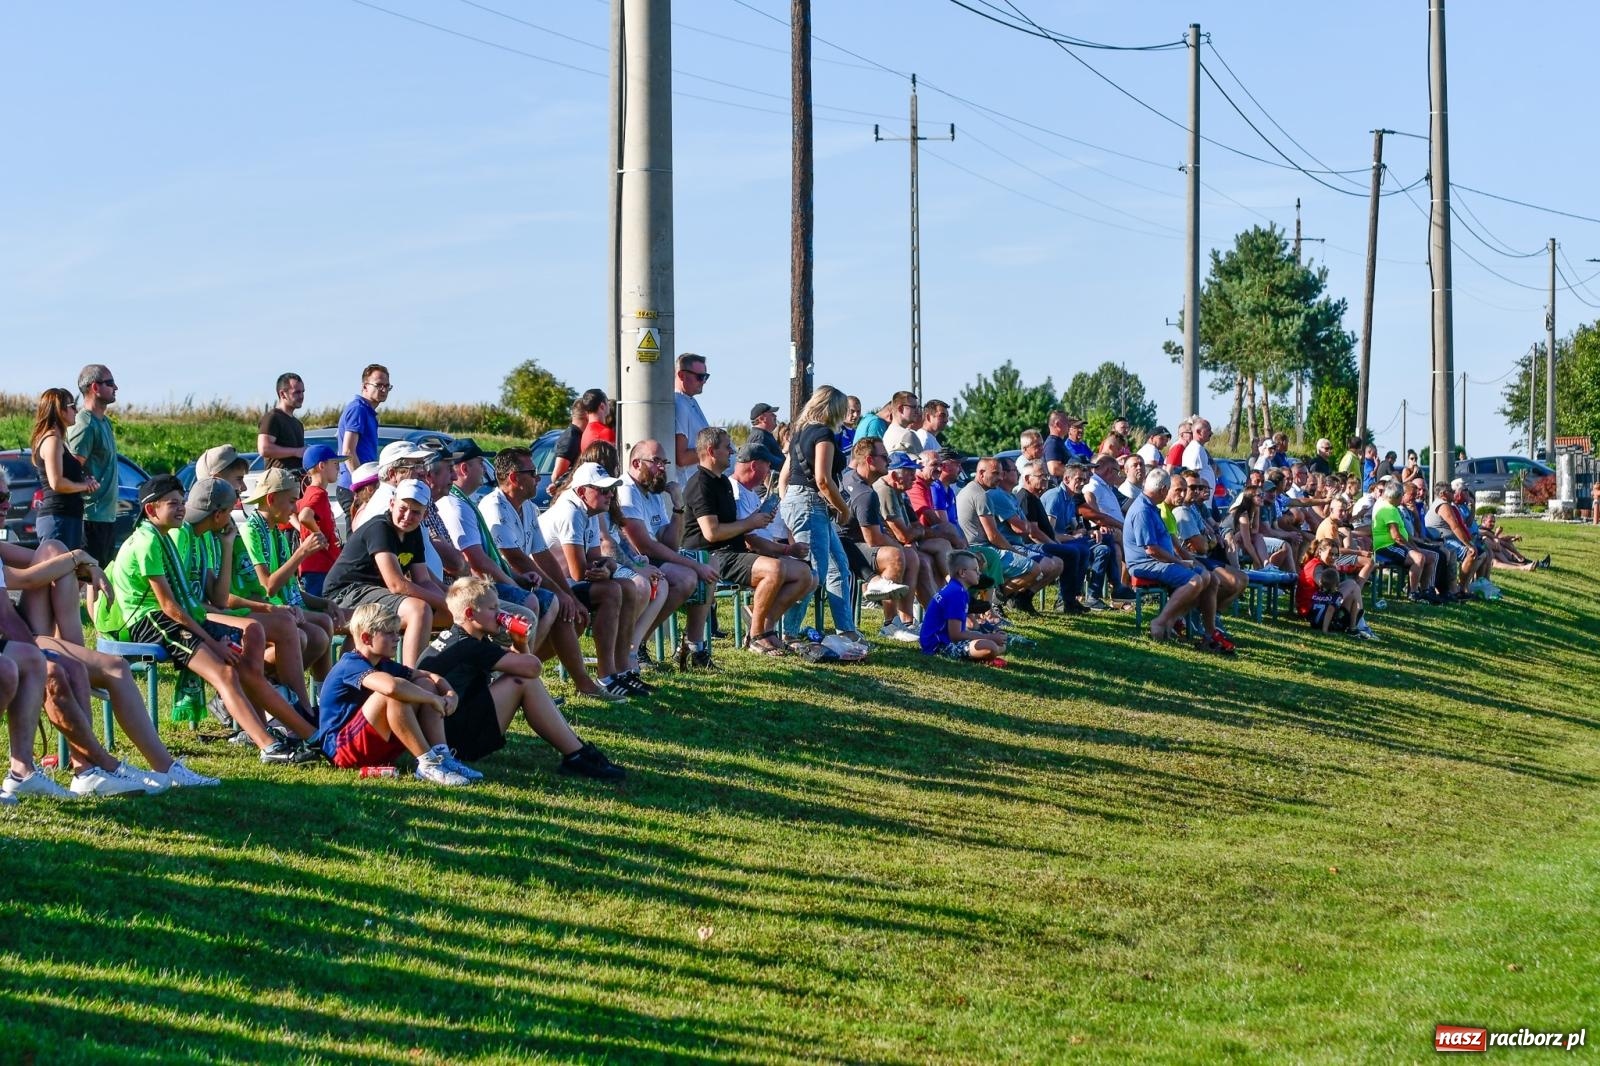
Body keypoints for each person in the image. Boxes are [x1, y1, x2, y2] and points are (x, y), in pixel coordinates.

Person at [107, 475, 319, 762]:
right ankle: (276, 739)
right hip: (151, 621)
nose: (181, 509)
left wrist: (228, 543)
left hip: (174, 616)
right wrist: (214, 642)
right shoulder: (154, 541)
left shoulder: (171, 536)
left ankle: (298, 731)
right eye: (173, 504)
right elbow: (171, 607)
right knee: (226, 670)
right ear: (151, 510)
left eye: (182, 503)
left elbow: (208, 599)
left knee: (239, 664)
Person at [418, 578, 625, 779]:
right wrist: (519, 640)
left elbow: (522, 664)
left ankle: (577, 752)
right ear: (470, 614)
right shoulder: (469, 646)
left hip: (443, 730)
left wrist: (519, 643)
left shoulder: (456, 637)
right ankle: (578, 755)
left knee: (521, 678)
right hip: (453, 741)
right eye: (493, 609)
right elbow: (532, 669)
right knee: (523, 681)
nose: (501, 614)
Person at [476, 447, 619, 702]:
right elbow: (516, 559)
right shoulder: (493, 506)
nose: (538, 478)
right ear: (513, 477)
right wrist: (562, 595)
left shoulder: (528, 507)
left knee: (570, 612)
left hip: (522, 582)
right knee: (553, 604)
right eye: (532, 473)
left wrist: (568, 596)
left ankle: (526, 676)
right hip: (492, 586)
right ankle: (519, 677)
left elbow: (543, 556)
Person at [685, 427, 812, 656]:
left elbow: (740, 530)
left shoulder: (721, 482)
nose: (732, 451)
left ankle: (765, 627)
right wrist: (751, 523)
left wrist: (783, 545)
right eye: (727, 447)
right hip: (711, 557)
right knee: (774, 569)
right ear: (712, 451)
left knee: (805, 574)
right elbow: (711, 534)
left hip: (733, 552)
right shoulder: (700, 484)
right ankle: (756, 636)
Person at [312, 602, 470, 785]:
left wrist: (450, 694)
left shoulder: (383, 662)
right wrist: (433, 699)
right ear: (366, 637)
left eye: (397, 632)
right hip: (343, 751)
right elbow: (391, 688)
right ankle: (428, 764)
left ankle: (442, 756)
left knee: (424, 684)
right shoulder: (351, 664)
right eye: (390, 633)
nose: (397, 638)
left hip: (371, 746)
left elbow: (430, 676)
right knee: (392, 695)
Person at [539, 462, 644, 696]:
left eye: (611, 490)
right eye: (603, 490)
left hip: (564, 583)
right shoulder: (570, 511)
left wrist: (609, 566)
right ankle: (606, 676)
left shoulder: (589, 510)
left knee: (627, 587)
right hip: (550, 585)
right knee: (612, 591)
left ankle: (621, 670)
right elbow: (579, 571)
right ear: (581, 491)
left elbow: (596, 559)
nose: (609, 495)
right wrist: (606, 568)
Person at [325, 479, 449, 666]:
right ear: (392, 504)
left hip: (374, 594)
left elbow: (423, 580)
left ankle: (438, 669)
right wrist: (448, 604)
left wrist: (451, 606)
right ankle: (413, 680)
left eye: (416, 512)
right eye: (403, 508)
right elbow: (396, 584)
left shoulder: (413, 533)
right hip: (345, 593)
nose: (407, 516)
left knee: (448, 615)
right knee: (419, 610)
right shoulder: (380, 528)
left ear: (425, 515)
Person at [618, 438, 719, 659]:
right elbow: (644, 546)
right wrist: (693, 566)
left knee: (710, 562)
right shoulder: (626, 491)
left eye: (664, 462)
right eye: (656, 461)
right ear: (636, 464)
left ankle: (694, 646)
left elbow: (670, 543)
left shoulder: (651, 491)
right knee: (687, 577)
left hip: (651, 556)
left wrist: (678, 506)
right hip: (632, 559)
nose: (662, 467)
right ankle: (637, 644)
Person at [777, 386, 857, 641]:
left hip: (802, 501)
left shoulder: (800, 433)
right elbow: (823, 479)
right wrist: (843, 509)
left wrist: (787, 500)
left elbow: (785, 475)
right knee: (814, 572)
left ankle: (847, 630)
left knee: (838, 566)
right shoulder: (823, 433)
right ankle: (786, 631)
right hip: (811, 503)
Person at [1124, 468, 1231, 653]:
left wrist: (1183, 562)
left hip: (1158, 561)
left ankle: (1208, 632)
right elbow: (1151, 549)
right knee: (1195, 580)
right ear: (1164, 489)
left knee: (1209, 578)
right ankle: (1161, 622)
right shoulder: (1143, 510)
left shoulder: (1151, 507)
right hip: (1144, 564)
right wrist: (1179, 562)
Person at [839, 439, 920, 641]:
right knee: (896, 555)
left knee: (909, 555)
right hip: (845, 548)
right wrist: (900, 547)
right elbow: (873, 539)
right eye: (884, 457)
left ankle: (906, 621)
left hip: (845, 543)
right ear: (869, 460)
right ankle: (891, 623)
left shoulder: (851, 478)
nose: (888, 461)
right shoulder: (865, 494)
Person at [67, 363, 120, 566]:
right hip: (91, 515)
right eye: (111, 383)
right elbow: (72, 468)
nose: (116, 388)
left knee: (98, 574)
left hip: (107, 515)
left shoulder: (104, 422)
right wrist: (85, 481)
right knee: (85, 574)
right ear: (95, 387)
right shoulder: (85, 424)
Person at [30, 387, 96, 551]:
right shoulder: (52, 440)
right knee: (59, 574)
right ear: (60, 410)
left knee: (67, 573)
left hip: (66, 517)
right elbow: (57, 482)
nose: (76, 410)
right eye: (73, 406)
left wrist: (84, 481)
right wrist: (84, 486)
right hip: (58, 518)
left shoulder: (58, 440)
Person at [919, 550, 1006, 665]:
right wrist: (990, 637)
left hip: (942, 641)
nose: (979, 574)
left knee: (998, 644)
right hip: (938, 646)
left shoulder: (957, 589)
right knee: (991, 647)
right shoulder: (956, 594)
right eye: (975, 570)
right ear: (962, 573)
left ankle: (986, 653)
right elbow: (955, 635)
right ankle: (985, 656)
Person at [1372, 481, 1439, 603]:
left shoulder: (1394, 509)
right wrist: (1413, 550)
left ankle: (1425, 591)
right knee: (1419, 558)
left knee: (1431, 557)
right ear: (1397, 496)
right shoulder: (1388, 510)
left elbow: (1405, 535)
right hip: (1386, 547)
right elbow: (1396, 537)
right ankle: (1412, 593)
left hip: (1396, 545)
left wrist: (1415, 547)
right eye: (1402, 495)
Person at [294, 443, 345, 596]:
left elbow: (293, 513)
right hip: (319, 568)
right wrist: (320, 536)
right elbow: (304, 516)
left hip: (318, 568)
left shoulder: (311, 492)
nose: (339, 468)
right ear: (322, 465)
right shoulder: (318, 494)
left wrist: (305, 531)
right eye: (335, 464)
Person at [337, 363, 390, 491]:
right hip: (353, 488)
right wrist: (361, 485)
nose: (384, 390)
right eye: (379, 385)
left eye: (387, 386)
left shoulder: (366, 411)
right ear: (365, 386)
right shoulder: (358, 409)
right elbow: (348, 451)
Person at [672, 352, 712, 487]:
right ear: (681, 375)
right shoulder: (679, 403)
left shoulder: (689, 400)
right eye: (700, 377)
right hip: (689, 488)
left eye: (706, 377)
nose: (704, 381)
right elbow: (681, 457)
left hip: (699, 485)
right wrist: (713, 450)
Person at [257, 372, 307, 469]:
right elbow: (264, 449)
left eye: (302, 392)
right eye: (296, 392)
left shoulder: (298, 424)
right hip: (279, 481)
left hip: (296, 481)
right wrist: (296, 452)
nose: (301, 396)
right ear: (282, 394)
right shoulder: (272, 418)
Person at [1181, 418, 1217, 496]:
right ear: (1198, 432)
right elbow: (1192, 474)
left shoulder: (1199, 448)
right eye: (1208, 430)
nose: (1211, 433)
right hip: (1200, 500)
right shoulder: (1196, 449)